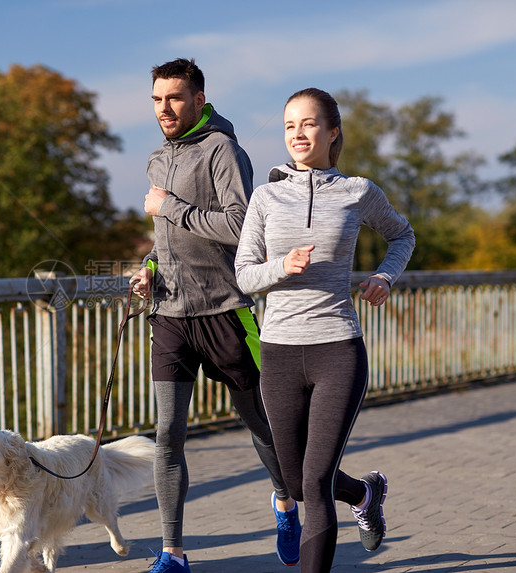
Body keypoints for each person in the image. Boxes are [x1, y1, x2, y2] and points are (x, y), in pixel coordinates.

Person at [234, 87, 416, 572]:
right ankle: (364, 492)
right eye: (290, 124)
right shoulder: (266, 197)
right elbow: (244, 275)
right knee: (294, 483)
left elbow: (402, 234)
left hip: (337, 346)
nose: (298, 133)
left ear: (332, 133)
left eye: (309, 124)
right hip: (279, 351)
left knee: (314, 483)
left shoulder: (358, 191)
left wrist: (384, 275)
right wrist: (281, 267)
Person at [131, 58, 301, 573]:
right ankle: (173, 551)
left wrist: (170, 207)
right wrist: (148, 269)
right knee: (168, 435)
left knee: (261, 425)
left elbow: (240, 226)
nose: (165, 108)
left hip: (226, 312)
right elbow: (167, 242)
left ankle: (285, 502)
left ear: (199, 100)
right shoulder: (157, 158)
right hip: (169, 316)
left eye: (175, 98)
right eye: (158, 98)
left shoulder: (222, 150)